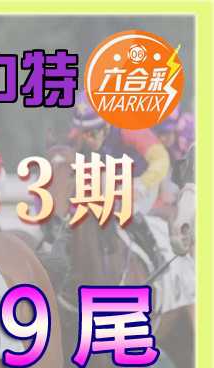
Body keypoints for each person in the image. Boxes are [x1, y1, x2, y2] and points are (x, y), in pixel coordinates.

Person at [71, 92, 171, 269]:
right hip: (112, 180)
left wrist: (142, 184)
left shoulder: (129, 128)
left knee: (127, 211)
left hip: (142, 181)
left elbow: (161, 158)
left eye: (92, 134)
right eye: (84, 134)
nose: (88, 140)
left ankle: (155, 255)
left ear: (106, 125)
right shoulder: (82, 130)